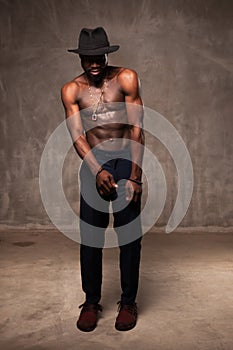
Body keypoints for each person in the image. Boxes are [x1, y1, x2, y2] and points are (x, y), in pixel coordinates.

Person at [61, 27, 144, 332]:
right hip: (94, 163)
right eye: (87, 58)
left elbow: (137, 128)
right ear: (80, 58)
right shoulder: (72, 90)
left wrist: (135, 177)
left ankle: (128, 301)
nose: (94, 64)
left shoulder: (126, 78)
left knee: (129, 237)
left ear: (107, 53)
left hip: (126, 161)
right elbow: (76, 136)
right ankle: (92, 301)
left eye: (98, 57)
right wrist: (97, 170)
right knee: (91, 238)